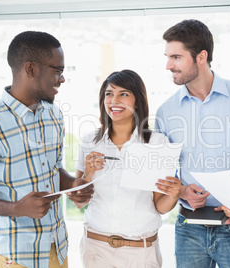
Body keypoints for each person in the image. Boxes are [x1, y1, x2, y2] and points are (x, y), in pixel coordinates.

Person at [0, 31, 94, 268]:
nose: (62, 79)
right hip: (14, 257)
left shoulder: (54, 115)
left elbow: (53, 169)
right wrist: (17, 209)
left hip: (57, 249)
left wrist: (73, 185)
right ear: (30, 69)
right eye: (58, 71)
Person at [155, 19, 230, 268]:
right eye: (167, 57)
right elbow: (162, 175)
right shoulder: (166, 111)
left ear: (201, 56)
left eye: (176, 57)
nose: (168, 65)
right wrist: (183, 191)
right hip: (188, 229)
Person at [74, 69, 181, 268]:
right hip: (96, 249)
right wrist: (88, 174)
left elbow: (160, 206)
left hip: (141, 252)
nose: (114, 100)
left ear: (138, 101)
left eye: (123, 94)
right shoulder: (90, 142)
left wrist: (174, 194)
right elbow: (79, 202)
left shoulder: (157, 143)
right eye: (109, 94)